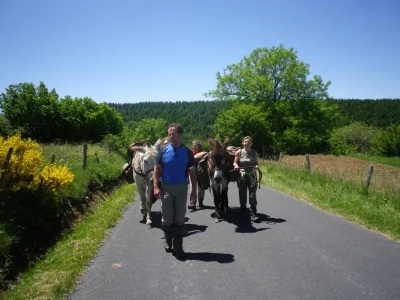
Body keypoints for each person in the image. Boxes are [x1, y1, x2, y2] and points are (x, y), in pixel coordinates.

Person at [153, 123, 197, 259]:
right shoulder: (163, 150)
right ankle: (168, 239)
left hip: (181, 188)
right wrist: (155, 187)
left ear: (180, 134)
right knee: (167, 217)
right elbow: (156, 169)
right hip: (166, 187)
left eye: (173, 134)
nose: (170, 136)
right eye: (169, 134)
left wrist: (194, 190)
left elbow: (193, 172)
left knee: (179, 218)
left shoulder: (187, 152)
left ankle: (179, 247)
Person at [233, 136, 260, 222]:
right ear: (242, 143)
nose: (247, 143)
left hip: (252, 175)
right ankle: (243, 211)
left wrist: (256, 166)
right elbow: (235, 162)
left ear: (251, 143)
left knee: (252, 195)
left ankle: (253, 213)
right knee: (242, 194)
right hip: (242, 175)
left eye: (248, 142)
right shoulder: (239, 152)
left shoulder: (254, 153)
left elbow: (256, 163)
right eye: (245, 142)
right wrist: (236, 166)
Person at [188, 140, 206, 211]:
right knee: (192, 187)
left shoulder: (203, 153)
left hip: (201, 172)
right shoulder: (190, 153)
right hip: (192, 172)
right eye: (192, 145)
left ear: (199, 146)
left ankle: (201, 200)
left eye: (195, 145)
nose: (193, 147)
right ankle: (193, 203)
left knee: (201, 187)